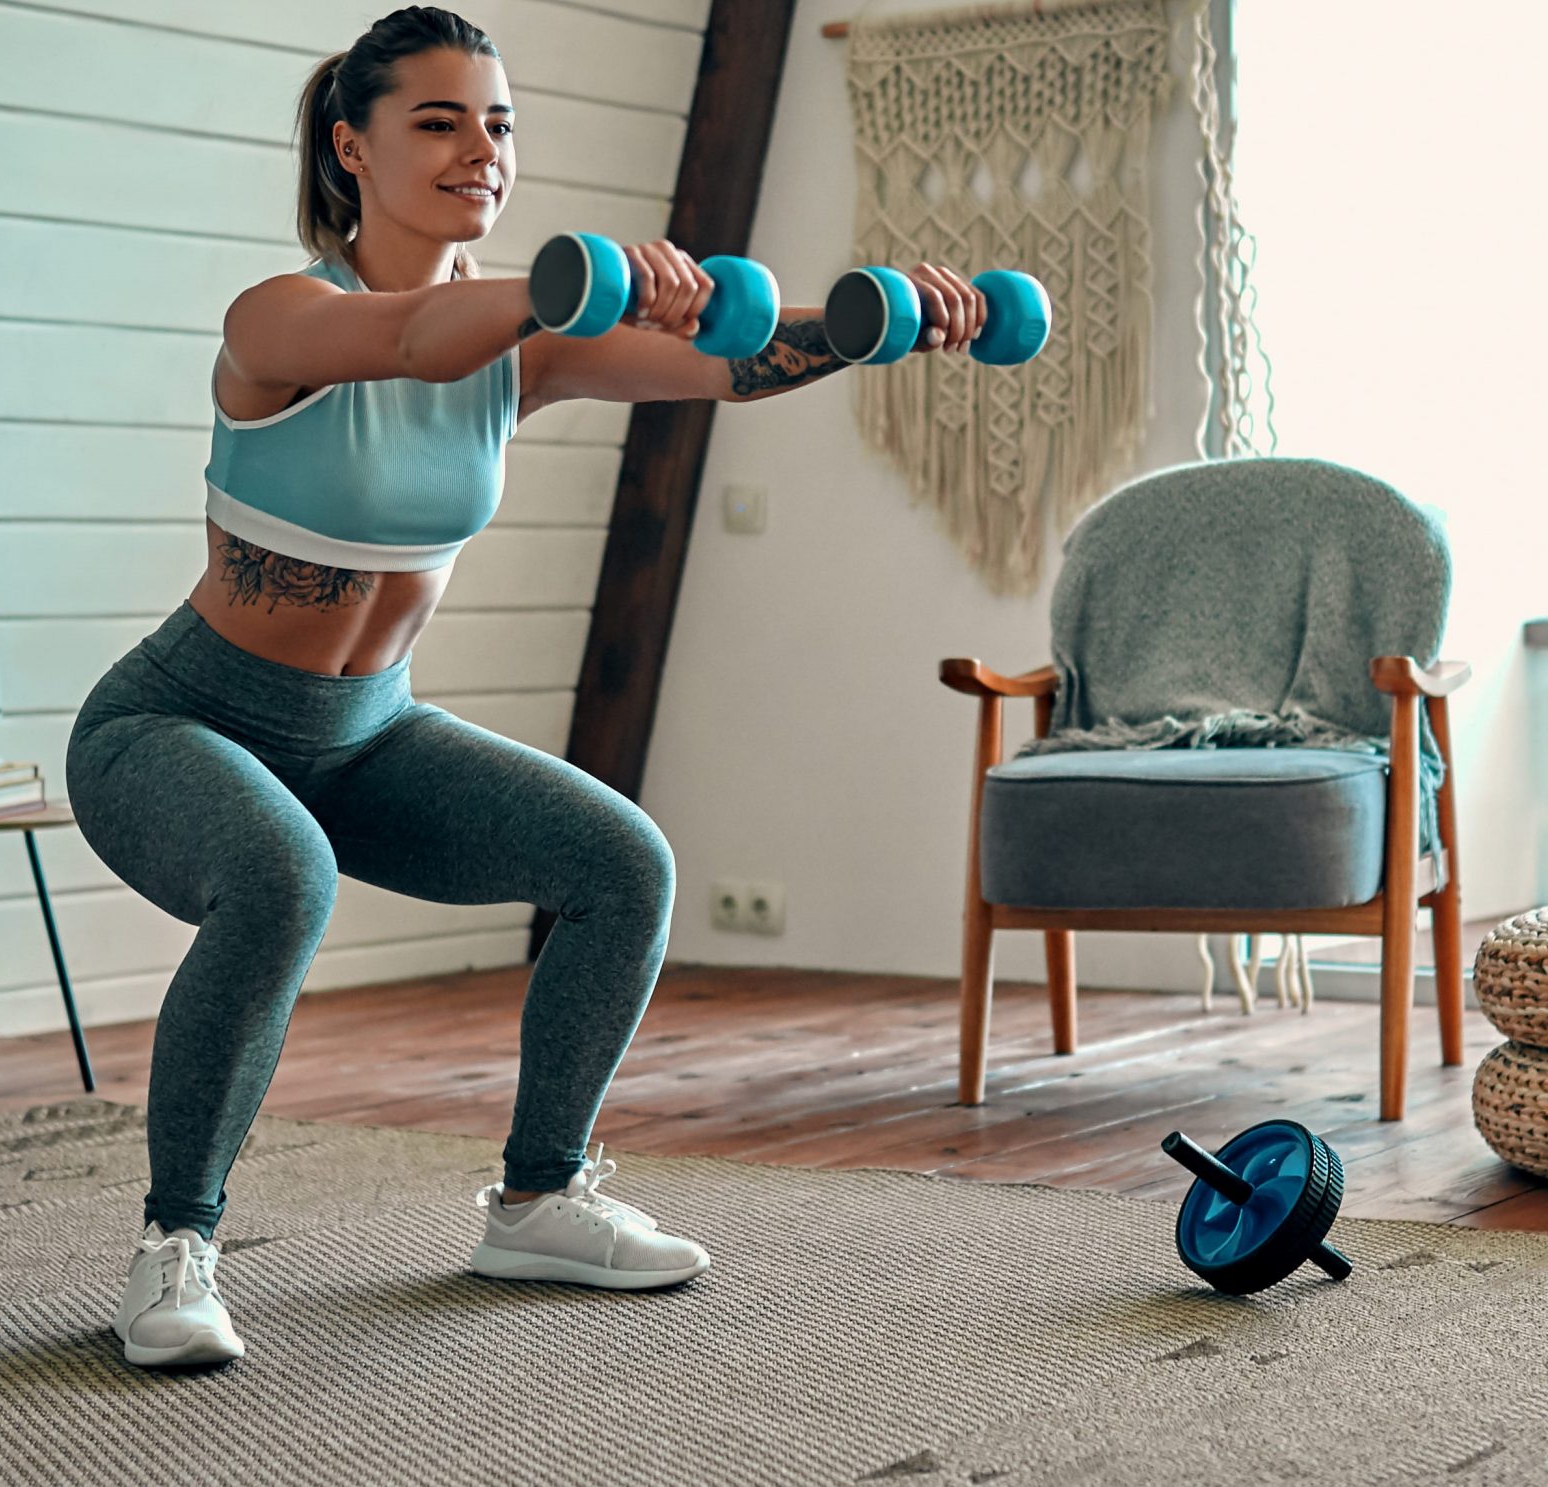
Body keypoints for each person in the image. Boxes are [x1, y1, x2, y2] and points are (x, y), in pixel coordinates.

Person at [65, 5, 994, 1369]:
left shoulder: (531, 340)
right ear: (350, 147)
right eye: (437, 121)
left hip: (366, 735)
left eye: (498, 123)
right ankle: (175, 1253)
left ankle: (542, 1198)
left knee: (621, 862)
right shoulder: (279, 320)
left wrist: (880, 322)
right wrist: (579, 283)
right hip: (176, 725)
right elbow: (415, 337)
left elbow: (733, 364)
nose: (479, 148)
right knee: (282, 879)